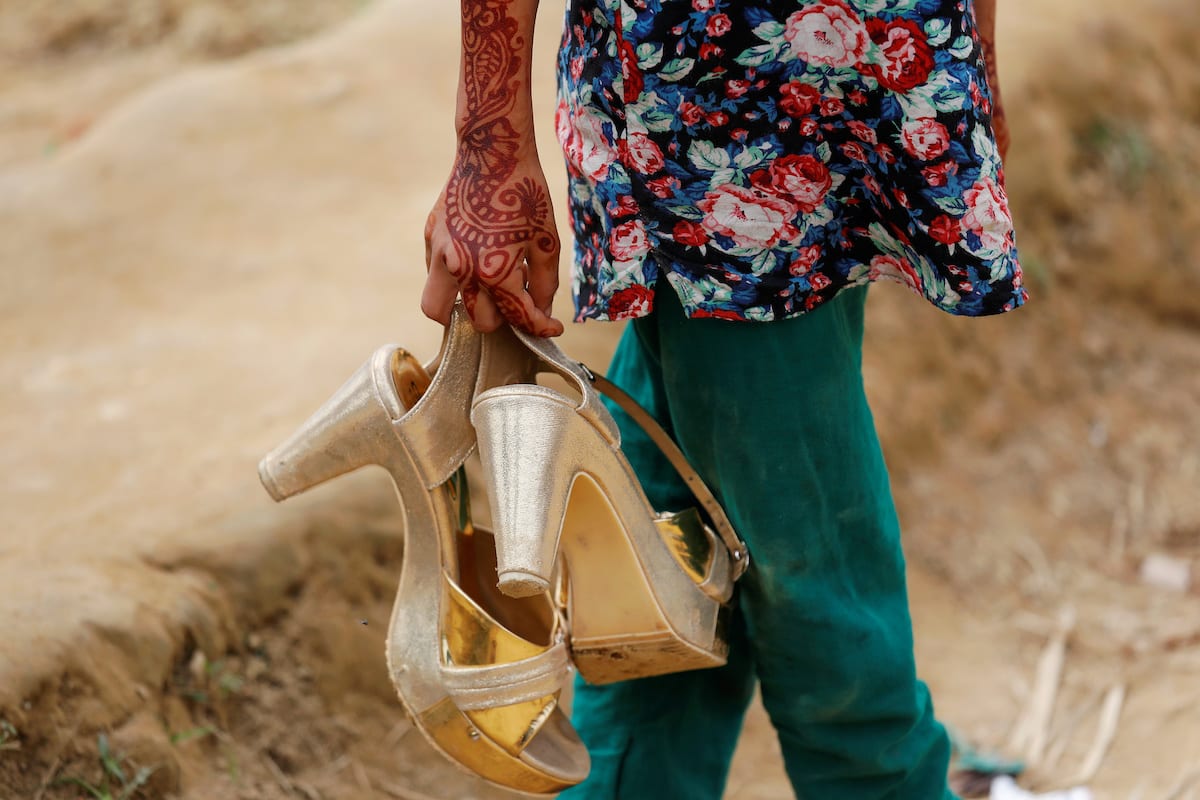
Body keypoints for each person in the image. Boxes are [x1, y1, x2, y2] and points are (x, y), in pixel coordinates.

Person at [422, 0, 1023, 797]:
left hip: (864, 65)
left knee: (674, 550)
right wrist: (488, 145)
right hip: (724, 105)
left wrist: (970, 46)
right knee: (815, 574)